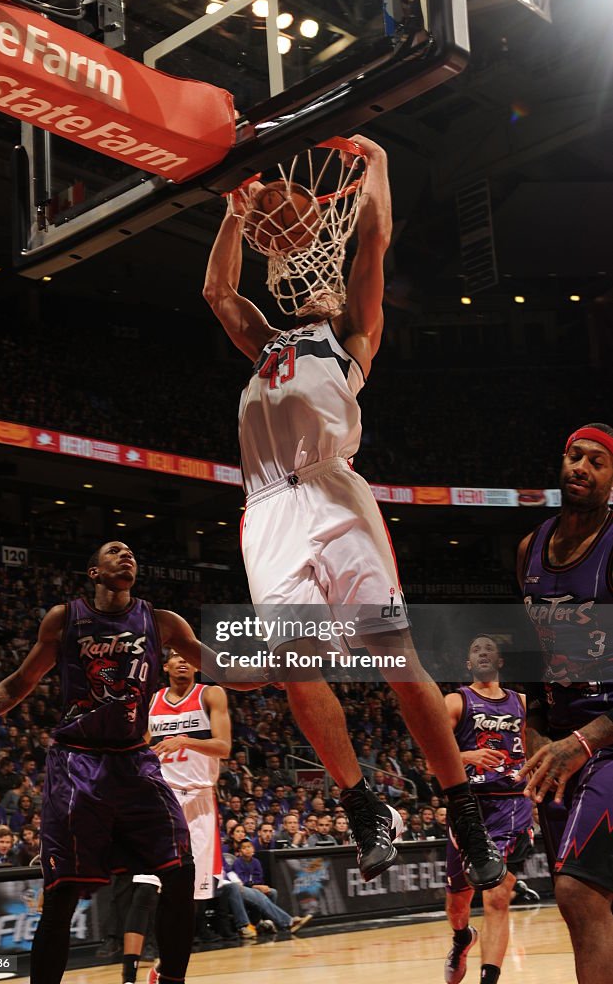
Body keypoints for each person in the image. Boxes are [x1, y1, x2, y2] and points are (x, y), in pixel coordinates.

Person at [202, 132, 504, 890]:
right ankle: (362, 803)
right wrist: (238, 212)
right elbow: (216, 292)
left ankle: (463, 812)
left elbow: (371, 235)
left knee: (395, 659)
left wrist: (380, 169)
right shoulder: (265, 343)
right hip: (268, 507)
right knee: (297, 665)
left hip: (332, 490)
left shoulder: (350, 339)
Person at [0, 541, 212, 984]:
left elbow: (222, 666)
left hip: (134, 763)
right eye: (115, 550)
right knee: (63, 894)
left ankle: (171, 980)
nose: (127, 554)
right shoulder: (65, 618)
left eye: (131, 551)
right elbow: (21, 682)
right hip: (77, 765)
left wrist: (277, 674)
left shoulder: (162, 622)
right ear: (93, 572)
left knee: (180, 872)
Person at [517, 424, 613, 984]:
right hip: (560, 747)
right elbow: (532, 658)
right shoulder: (531, 548)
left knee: (579, 889)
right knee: (584, 902)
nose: (581, 467)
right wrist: (534, 735)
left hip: (604, 737)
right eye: (575, 456)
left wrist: (582, 742)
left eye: (597, 462)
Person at [121, 649, 231, 984]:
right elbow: (134, 748)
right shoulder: (151, 702)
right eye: (174, 656)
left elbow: (224, 747)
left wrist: (185, 740)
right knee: (144, 888)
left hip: (199, 802)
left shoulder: (211, 693)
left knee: (186, 899)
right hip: (161, 801)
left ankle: (164, 970)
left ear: (197, 663)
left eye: (188, 655)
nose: (182, 660)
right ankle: (127, 977)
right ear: (165, 665)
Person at [443, 636, 533, 984]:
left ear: (500, 661)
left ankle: (488, 980)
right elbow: (428, 758)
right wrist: (465, 756)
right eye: (475, 650)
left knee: (498, 896)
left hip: (512, 805)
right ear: (468, 664)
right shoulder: (455, 701)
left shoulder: (524, 704)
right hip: (468, 808)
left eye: (489, 649)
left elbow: (536, 749)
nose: (482, 653)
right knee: (458, 904)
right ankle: (463, 937)